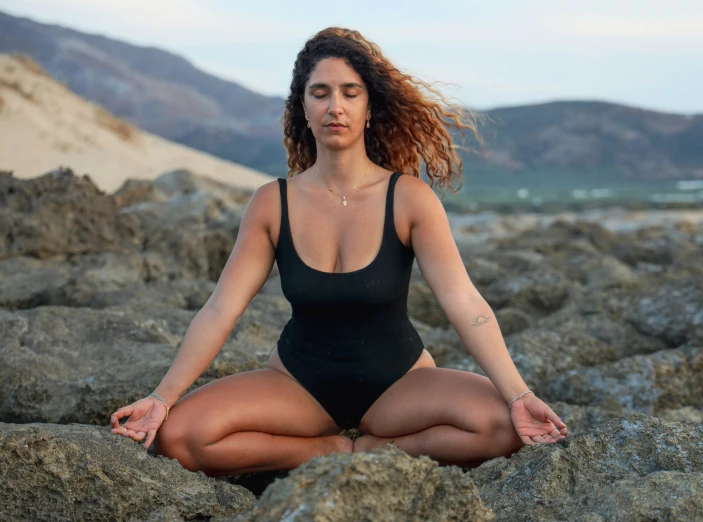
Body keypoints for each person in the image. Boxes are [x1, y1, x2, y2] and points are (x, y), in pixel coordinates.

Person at [110, 27, 567, 476]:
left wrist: (519, 395)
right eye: (320, 93)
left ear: (369, 108)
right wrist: (162, 398)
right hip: (297, 386)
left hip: (401, 386)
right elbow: (221, 308)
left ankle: (373, 449)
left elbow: (464, 302)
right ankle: (332, 453)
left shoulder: (408, 198)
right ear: (302, 107)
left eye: (350, 93)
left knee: (504, 427)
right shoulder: (273, 202)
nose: (335, 107)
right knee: (181, 436)